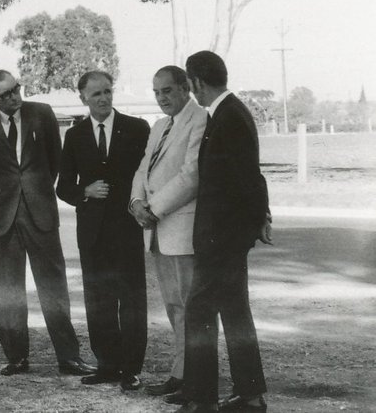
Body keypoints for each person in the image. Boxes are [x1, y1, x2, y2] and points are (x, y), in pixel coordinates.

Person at [0, 69, 96, 378]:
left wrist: (34, 190)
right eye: (5, 94)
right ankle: (16, 357)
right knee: (7, 289)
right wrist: (4, 195)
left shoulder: (42, 113)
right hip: (2, 218)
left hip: (40, 213)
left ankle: (69, 358)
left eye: (16, 89)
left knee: (54, 288)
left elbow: (56, 161)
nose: (14, 97)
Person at [170, 51, 271, 413]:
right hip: (227, 236)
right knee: (234, 310)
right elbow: (251, 177)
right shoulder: (230, 114)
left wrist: (255, 221)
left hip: (223, 239)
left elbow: (248, 179)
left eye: (190, 83)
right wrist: (260, 217)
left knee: (199, 311)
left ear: (196, 82)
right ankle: (250, 395)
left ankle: (201, 400)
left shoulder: (229, 117)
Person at [56, 70, 150, 392]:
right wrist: (85, 190)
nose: (103, 98)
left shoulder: (137, 129)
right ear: (82, 98)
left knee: (132, 302)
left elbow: (147, 175)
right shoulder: (75, 135)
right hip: (92, 234)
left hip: (126, 230)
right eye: (95, 94)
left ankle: (131, 369)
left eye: (107, 91)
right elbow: (63, 186)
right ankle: (107, 365)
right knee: (99, 302)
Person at [128, 66, 207, 398]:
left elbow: (192, 175)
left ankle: (196, 378)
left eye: (168, 91)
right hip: (157, 230)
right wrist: (135, 201)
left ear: (185, 88)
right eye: (157, 92)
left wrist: (154, 209)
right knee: (174, 305)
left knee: (190, 307)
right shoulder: (159, 125)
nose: (161, 98)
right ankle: (182, 373)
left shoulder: (200, 119)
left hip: (181, 227)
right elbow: (143, 167)